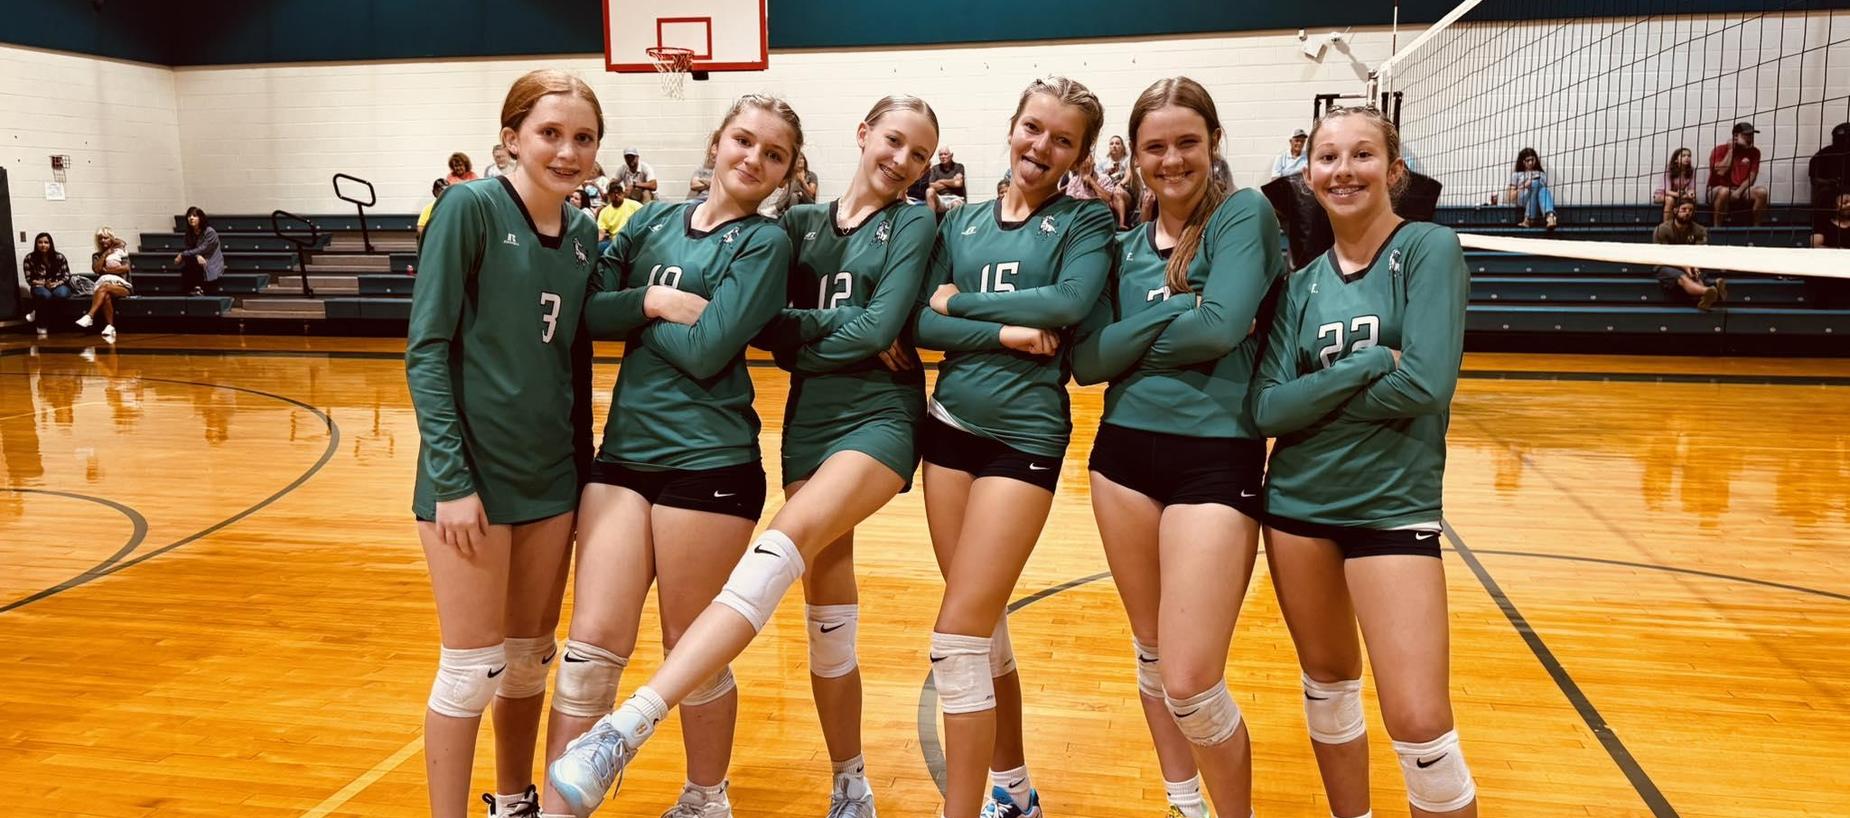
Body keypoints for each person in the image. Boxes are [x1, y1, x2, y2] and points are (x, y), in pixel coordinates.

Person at [546, 94, 939, 818]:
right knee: (827, 622)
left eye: (920, 153)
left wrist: (735, 323)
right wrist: (662, 307)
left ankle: (653, 749)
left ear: (791, 165)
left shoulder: (900, 221)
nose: (902, 161)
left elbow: (763, 338)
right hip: (799, 426)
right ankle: (849, 780)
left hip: (871, 418)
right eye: (892, 140)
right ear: (861, 134)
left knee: (767, 562)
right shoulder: (794, 225)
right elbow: (755, 332)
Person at [539, 93, 802, 818]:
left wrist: (643, 310)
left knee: (690, 646)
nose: (754, 158)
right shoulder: (652, 221)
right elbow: (589, 312)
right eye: (744, 140)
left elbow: (713, 348)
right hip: (623, 457)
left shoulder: (763, 243)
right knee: (590, 645)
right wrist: (654, 306)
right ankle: (563, 809)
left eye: (773, 154)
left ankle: (705, 797)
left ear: (784, 175)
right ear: (718, 143)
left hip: (710, 463)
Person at [1252, 105, 1479, 818]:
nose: (1343, 170)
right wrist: (1372, 364)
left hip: (1392, 506)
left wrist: (1311, 400)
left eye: (1361, 156)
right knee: (1327, 686)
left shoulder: (1428, 250)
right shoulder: (1300, 283)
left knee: (1420, 724)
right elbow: (1265, 410)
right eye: (1327, 158)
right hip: (1295, 510)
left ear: (1394, 170)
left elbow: (1428, 385)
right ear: (1308, 172)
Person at [1071, 76, 1285, 818]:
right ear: (1133, 156)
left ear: (1214, 142)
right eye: (1154, 146)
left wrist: (1131, 343)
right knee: (1154, 655)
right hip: (1122, 459)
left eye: (1186, 142)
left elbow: (1224, 327)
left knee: (1193, 679)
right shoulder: (1123, 242)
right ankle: (1182, 802)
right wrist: (1170, 324)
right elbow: (1088, 362)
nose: (1171, 159)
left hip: (1215, 458)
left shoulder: (1242, 216)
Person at [404, 68, 606, 818]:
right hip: (473, 485)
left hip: (550, 482)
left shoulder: (585, 234)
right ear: (513, 136)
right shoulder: (470, 208)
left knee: (527, 665)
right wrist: (452, 481)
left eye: (583, 138)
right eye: (550, 133)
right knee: (470, 671)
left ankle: (515, 799)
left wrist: (582, 482)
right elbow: (426, 349)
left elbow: (574, 368)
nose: (567, 150)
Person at [911, 76, 1113, 818]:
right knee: (985, 629)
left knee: (957, 634)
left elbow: (1066, 305)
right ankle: (1016, 790)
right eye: (1034, 128)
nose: (1042, 147)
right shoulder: (957, 223)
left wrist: (959, 301)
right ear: (1012, 126)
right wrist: (1002, 332)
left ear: (1080, 153)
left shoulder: (1085, 225)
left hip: (1023, 438)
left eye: (1063, 139)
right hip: (948, 429)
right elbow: (918, 327)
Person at [1654, 200, 1726, 310]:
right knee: (1683, 278)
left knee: (1695, 275)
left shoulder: (1700, 230)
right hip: (1666, 264)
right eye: (1684, 209)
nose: (1687, 213)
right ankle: (1708, 290)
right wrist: (1684, 266)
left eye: (1690, 210)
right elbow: (1663, 255)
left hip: (1691, 262)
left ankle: (1709, 293)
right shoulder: (1662, 229)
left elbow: (1698, 253)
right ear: (1675, 210)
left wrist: (1694, 266)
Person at [76, 228, 132, 342]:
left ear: (111, 238)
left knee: (104, 287)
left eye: (105, 237)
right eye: (100, 238)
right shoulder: (96, 255)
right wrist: (105, 254)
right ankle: (110, 327)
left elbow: (125, 268)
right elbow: (97, 269)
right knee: (105, 293)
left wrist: (106, 270)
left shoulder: (121, 251)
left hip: (123, 287)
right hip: (104, 286)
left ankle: (90, 316)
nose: (102, 240)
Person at [1710, 122, 1769, 226]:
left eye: (1751, 135)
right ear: (1736, 136)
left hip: (1741, 189)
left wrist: (1738, 191)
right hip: (1719, 188)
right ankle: (1717, 229)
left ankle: (1756, 229)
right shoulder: (1720, 149)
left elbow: (1752, 177)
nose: (1750, 138)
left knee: (1762, 192)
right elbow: (1721, 172)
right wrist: (1730, 150)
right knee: (1724, 192)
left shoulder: (1754, 152)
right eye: (1746, 135)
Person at [23, 232, 72, 338]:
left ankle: (37, 311)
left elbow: (67, 276)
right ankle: (42, 325)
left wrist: (56, 284)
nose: (43, 245)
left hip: (58, 284)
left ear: (50, 244)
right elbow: (29, 280)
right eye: (40, 242)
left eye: (46, 242)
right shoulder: (29, 258)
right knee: (45, 295)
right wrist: (45, 284)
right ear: (36, 244)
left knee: (62, 294)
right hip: (39, 286)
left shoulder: (59, 257)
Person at [1809, 122, 1850, 232]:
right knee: (1825, 193)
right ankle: (1822, 229)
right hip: (1830, 193)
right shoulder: (1823, 155)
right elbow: (1814, 179)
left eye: (1845, 139)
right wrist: (1829, 182)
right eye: (1837, 139)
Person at [175, 207, 225, 295]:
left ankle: (198, 289)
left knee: (190, 260)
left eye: (194, 216)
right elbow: (190, 249)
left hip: (211, 261)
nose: (191, 218)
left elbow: (203, 249)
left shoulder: (210, 232)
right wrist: (197, 256)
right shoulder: (189, 233)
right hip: (197, 260)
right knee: (189, 263)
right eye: (189, 216)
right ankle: (192, 291)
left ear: (201, 218)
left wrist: (182, 254)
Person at [1506, 147, 1557, 229]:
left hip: (1538, 201)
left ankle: (1530, 219)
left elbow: (1542, 195)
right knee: (1536, 184)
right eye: (1527, 160)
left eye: (1532, 160)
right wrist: (1524, 186)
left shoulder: (1541, 174)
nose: (1530, 163)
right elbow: (1510, 197)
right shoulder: (1517, 174)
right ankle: (1550, 216)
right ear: (1523, 162)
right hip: (1523, 198)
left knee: (1543, 189)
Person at [596, 181, 642, 251]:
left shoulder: (635, 205)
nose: (616, 195)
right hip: (615, 241)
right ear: (608, 195)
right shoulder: (604, 211)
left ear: (623, 194)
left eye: (619, 192)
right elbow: (601, 232)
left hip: (633, 239)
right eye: (613, 193)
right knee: (597, 248)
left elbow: (647, 215)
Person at [1655, 147, 1697, 223]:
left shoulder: (1691, 170)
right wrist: (1682, 195)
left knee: (1693, 200)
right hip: (1662, 194)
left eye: (1689, 156)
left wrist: (1691, 193)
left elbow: (1691, 187)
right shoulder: (1669, 169)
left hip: (1678, 195)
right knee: (1670, 199)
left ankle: (1687, 225)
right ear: (1676, 159)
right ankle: (1666, 226)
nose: (1687, 158)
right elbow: (1667, 191)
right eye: (1683, 156)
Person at [927, 147, 968, 213]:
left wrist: (941, 181)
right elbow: (931, 186)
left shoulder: (958, 167)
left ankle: (955, 223)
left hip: (955, 198)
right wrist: (952, 182)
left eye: (945, 154)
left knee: (956, 204)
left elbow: (958, 184)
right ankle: (930, 221)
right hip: (940, 199)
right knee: (929, 191)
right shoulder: (935, 169)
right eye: (940, 154)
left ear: (951, 155)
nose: (943, 156)